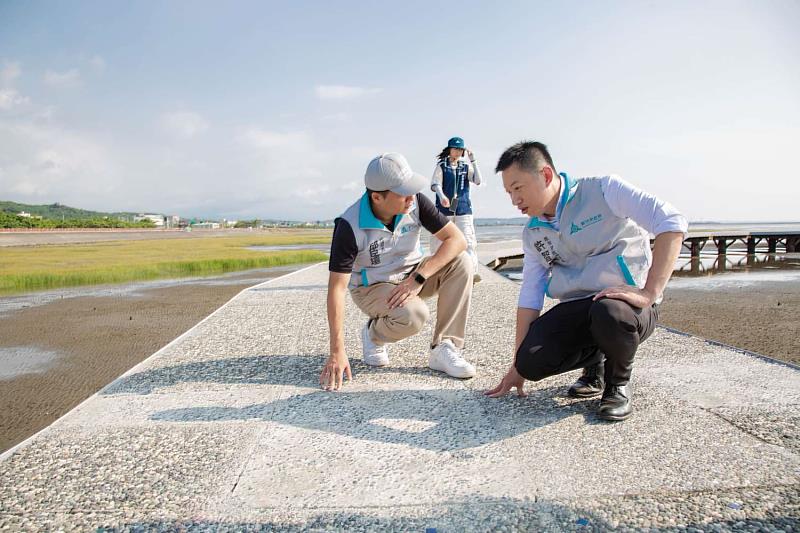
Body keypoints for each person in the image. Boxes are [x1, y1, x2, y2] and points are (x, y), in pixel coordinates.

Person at [485, 141, 687, 421]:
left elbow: (671, 221)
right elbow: (530, 294)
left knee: (609, 312)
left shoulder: (605, 191)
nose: (514, 200)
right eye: (509, 192)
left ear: (545, 175)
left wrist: (649, 292)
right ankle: (596, 364)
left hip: (625, 308)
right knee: (530, 361)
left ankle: (617, 385)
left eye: (518, 188)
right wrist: (517, 364)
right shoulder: (533, 232)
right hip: (579, 308)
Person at [321, 152, 478, 391]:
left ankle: (444, 347)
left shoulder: (415, 203)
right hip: (373, 286)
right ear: (377, 197)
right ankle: (373, 334)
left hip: (413, 275)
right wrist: (337, 351)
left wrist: (419, 277)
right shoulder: (349, 225)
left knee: (462, 262)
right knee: (414, 315)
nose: (411, 198)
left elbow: (457, 240)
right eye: (403, 192)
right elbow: (337, 289)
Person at [430, 136, 483, 281]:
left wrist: (473, 161)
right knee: (440, 240)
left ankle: (472, 273)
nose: (458, 151)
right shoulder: (442, 166)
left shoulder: (465, 167)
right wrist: (442, 196)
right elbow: (435, 184)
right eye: (455, 148)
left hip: (463, 209)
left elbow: (478, 181)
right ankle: (437, 271)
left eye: (461, 149)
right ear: (450, 150)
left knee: (468, 240)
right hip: (444, 209)